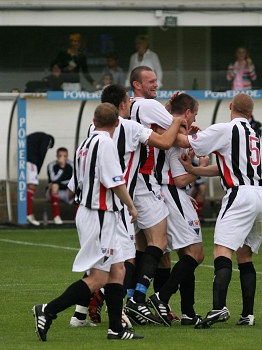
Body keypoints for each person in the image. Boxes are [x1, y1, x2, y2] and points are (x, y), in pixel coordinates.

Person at [71, 84, 186, 327]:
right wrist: (176, 118)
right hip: (120, 203)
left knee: (103, 261)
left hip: (91, 203)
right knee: (124, 261)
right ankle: (127, 306)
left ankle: (81, 313)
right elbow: (166, 141)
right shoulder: (131, 128)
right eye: (129, 101)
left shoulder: (94, 129)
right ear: (123, 105)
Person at [32, 103, 143, 342]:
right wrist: (131, 206)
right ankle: (48, 310)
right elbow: (115, 181)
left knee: (118, 270)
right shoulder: (106, 144)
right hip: (100, 213)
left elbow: (73, 185)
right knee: (99, 277)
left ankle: (116, 329)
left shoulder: (84, 144)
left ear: (94, 119)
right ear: (116, 123)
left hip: (92, 211)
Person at [179, 93, 262, 329]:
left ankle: (219, 308)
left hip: (240, 195)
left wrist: (180, 128)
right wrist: (195, 171)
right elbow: (224, 167)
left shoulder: (227, 129)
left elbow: (189, 143)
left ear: (230, 106)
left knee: (221, 250)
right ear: (250, 112)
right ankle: (247, 314)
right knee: (245, 256)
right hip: (259, 194)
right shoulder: (252, 134)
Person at [123, 66, 187, 324]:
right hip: (148, 181)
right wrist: (196, 133)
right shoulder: (148, 106)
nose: (156, 85)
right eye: (150, 81)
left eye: (156, 80)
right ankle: (137, 301)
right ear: (136, 85)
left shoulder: (132, 107)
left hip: (133, 182)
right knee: (159, 243)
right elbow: (178, 138)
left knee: (142, 247)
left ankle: (134, 300)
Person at [147, 93, 206, 327]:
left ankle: (188, 312)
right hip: (172, 193)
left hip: (163, 193)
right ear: (188, 113)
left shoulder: (165, 127)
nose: (194, 120)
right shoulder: (176, 135)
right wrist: (200, 166)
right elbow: (180, 180)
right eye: (195, 114)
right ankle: (160, 297)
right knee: (196, 253)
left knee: (178, 255)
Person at [26, 132, 54, 226]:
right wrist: (37, 170)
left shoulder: (36, 137)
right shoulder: (47, 139)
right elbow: (42, 154)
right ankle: (29, 213)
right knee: (32, 185)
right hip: (30, 161)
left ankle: (27, 212)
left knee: (28, 186)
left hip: (24, 159)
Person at [46, 147, 74, 225]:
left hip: (67, 192)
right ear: (57, 156)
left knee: (78, 188)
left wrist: (62, 182)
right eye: (60, 156)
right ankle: (56, 216)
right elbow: (53, 180)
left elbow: (74, 180)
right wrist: (61, 167)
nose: (62, 158)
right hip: (53, 192)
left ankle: (78, 218)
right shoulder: (52, 165)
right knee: (55, 186)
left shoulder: (71, 164)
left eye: (65, 156)